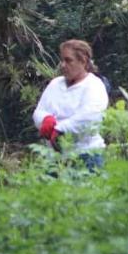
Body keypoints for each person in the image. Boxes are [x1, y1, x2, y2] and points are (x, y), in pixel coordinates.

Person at [33, 39, 109, 170]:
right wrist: (45, 120)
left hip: (86, 155)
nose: (62, 65)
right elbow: (39, 111)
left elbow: (90, 117)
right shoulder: (55, 84)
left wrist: (60, 129)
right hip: (54, 158)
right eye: (62, 60)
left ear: (83, 61)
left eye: (68, 60)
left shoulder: (94, 85)